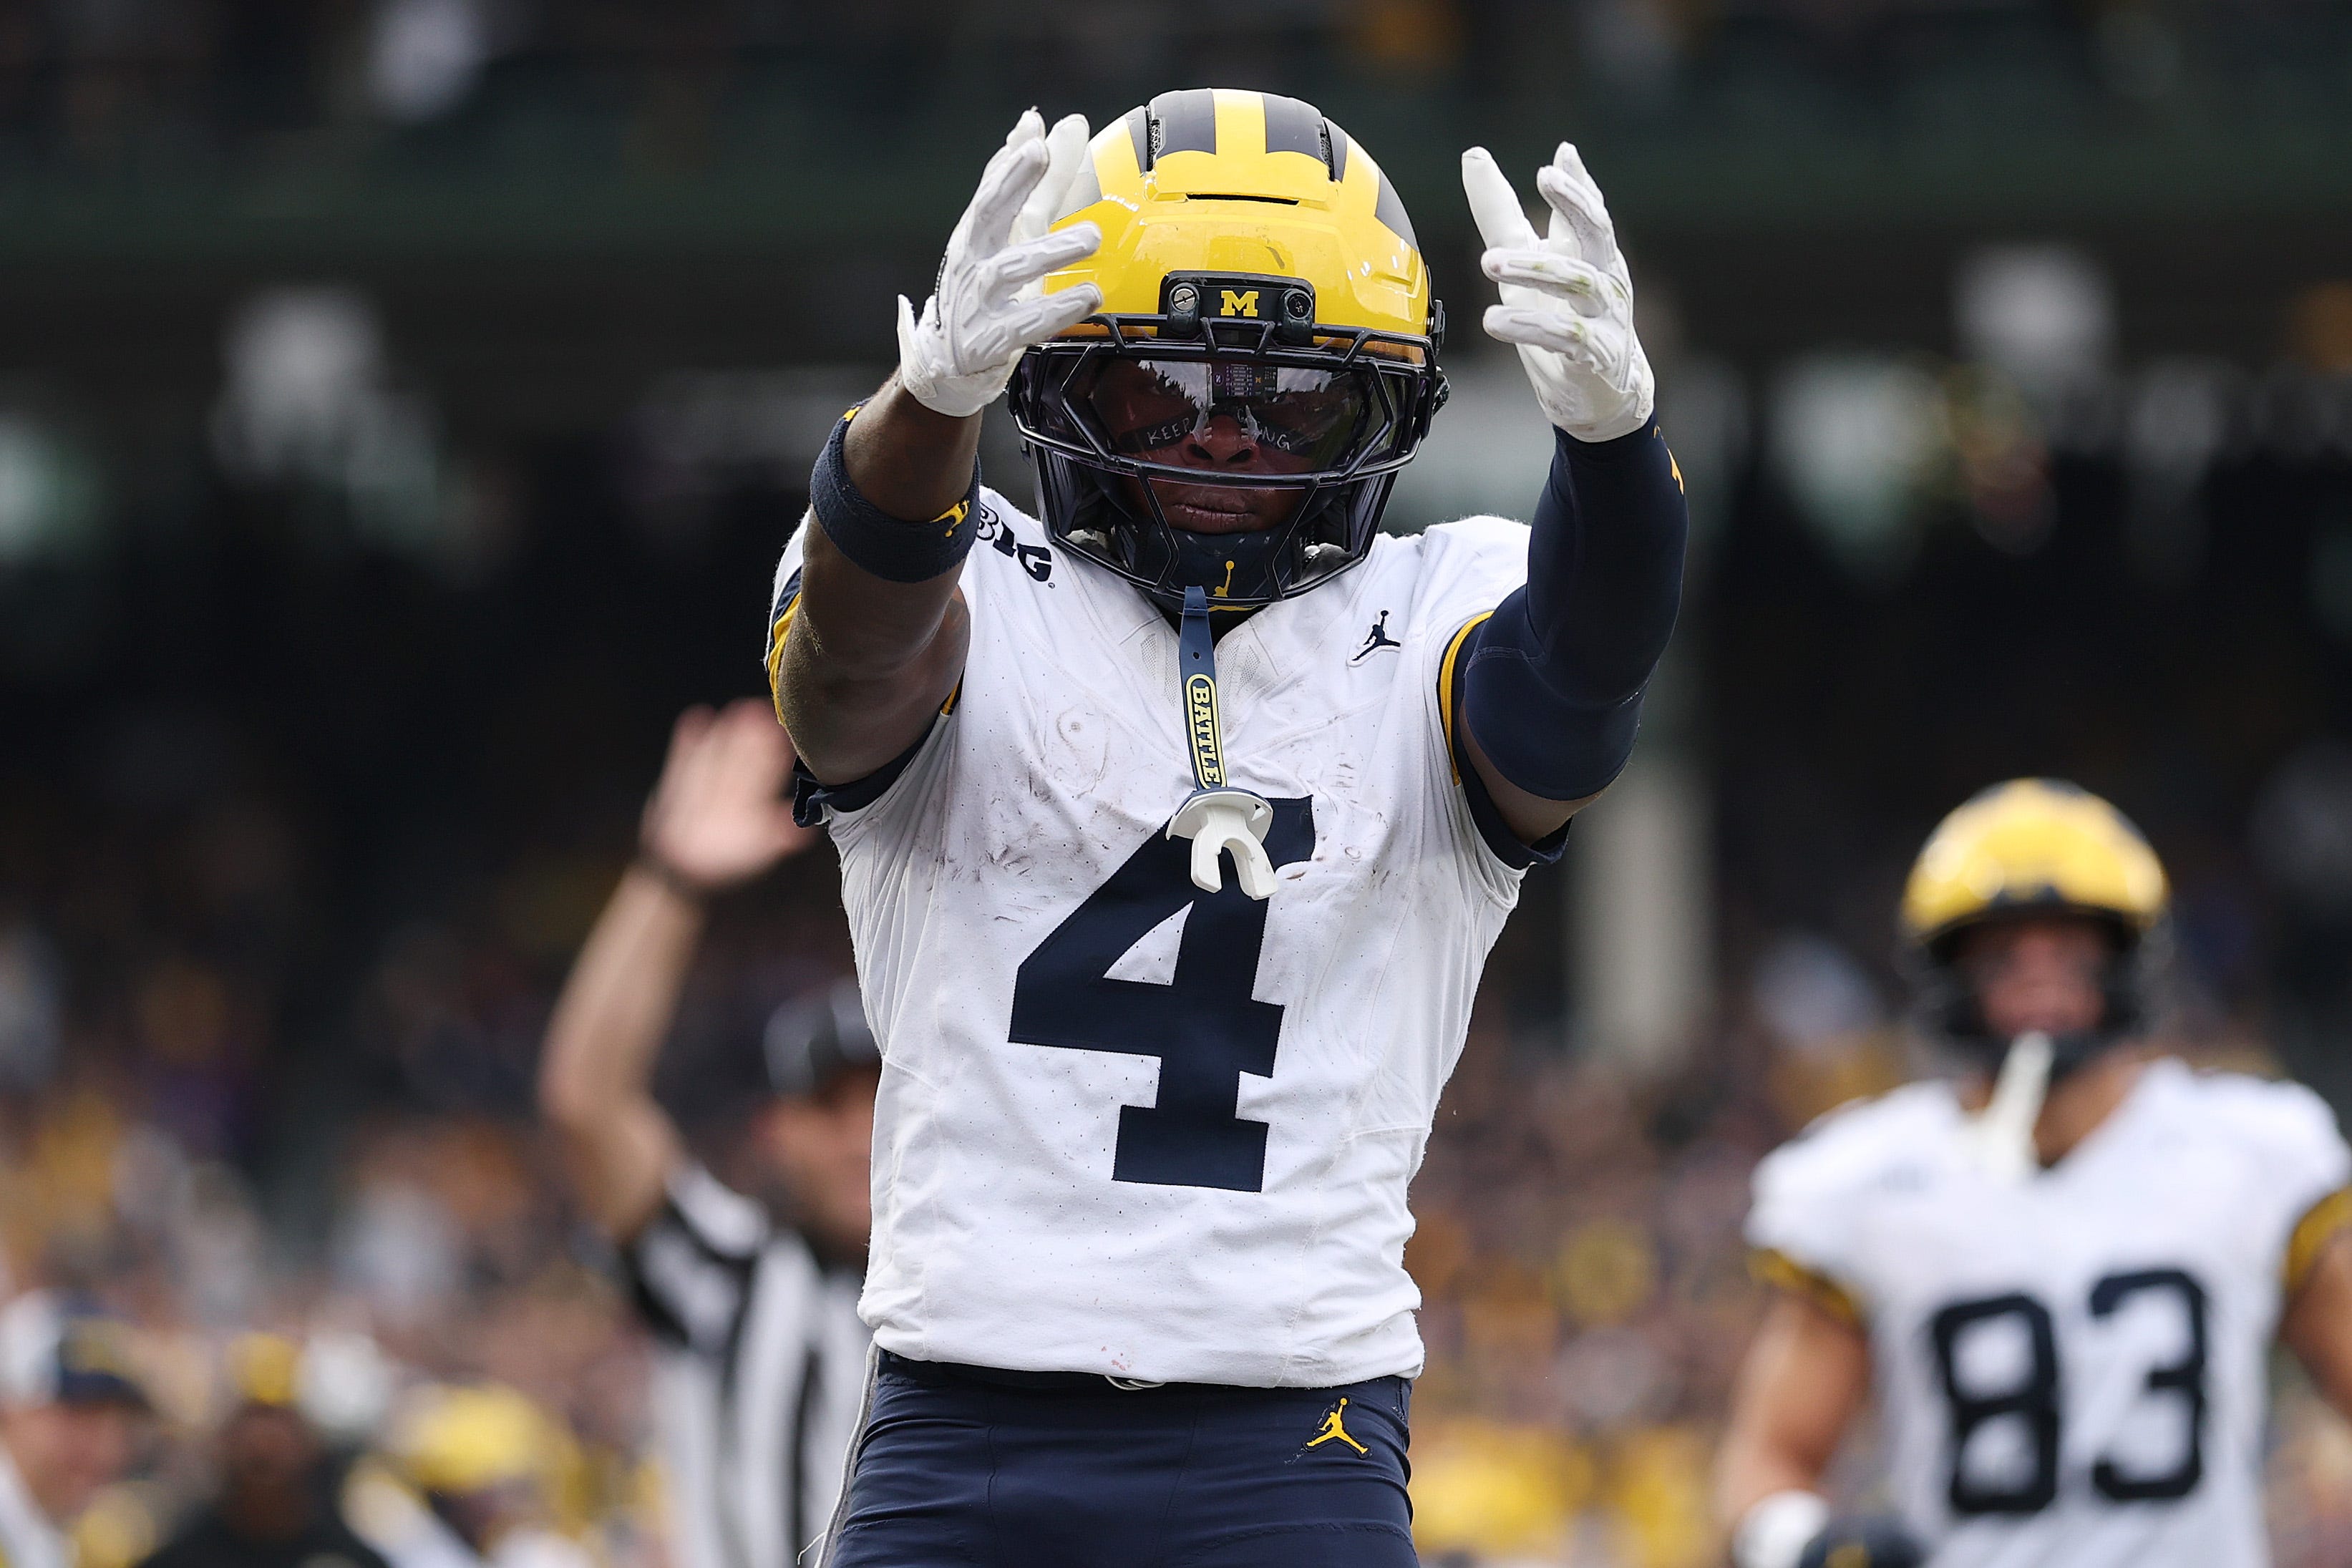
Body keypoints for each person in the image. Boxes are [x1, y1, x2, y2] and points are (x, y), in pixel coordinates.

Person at [767, 91, 1688, 1564]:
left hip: (1292, 1423)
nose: (1223, 432)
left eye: (1288, 397)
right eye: (1167, 385)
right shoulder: (972, 584)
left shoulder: (1440, 604)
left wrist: (1615, 452)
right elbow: (844, 681)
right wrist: (920, 406)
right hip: (963, 1407)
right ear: (1058, 378)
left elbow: (1573, 693)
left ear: (1380, 408)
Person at [1715, 779, 2352, 1568]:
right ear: (1944, 965)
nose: (2037, 974)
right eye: (2001, 950)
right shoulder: (1867, 1181)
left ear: (2128, 954)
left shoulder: (2251, 1151)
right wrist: (1801, 1540)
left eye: (2070, 946)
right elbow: (1767, 1456)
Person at [537, 698, 875, 1568]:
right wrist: (669, 881)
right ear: (776, 1133)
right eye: (827, 1107)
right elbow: (588, 1100)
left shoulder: (988, 1284)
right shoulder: (728, 1274)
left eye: (881, 1101)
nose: (856, 1136)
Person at [139, 1334, 390, 1568]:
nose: (264, 1439)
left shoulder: (353, 1559)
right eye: (251, 1416)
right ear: (222, 1437)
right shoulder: (177, 1558)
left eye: (282, 1419)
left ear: (312, 1440)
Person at [0, 1293, 149, 1568]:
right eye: (81, 1415)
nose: (107, 1449)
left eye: (120, 1424)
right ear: (9, 1409)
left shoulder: (90, 1545)